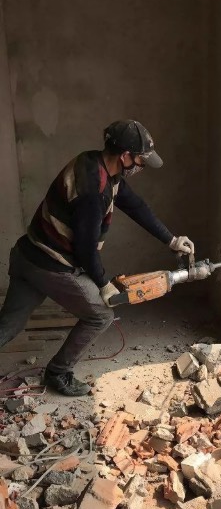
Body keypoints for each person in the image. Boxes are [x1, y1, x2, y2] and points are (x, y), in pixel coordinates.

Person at [0, 120, 194, 396]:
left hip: (27, 255)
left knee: (9, 324)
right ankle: (59, 373)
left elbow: (135, 206)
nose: (141, 165)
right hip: (51, 264)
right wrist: (104, 284)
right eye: (140, 159)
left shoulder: (95, 163)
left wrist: (171, 240)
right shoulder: (93, 191)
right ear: (125, 156)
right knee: (101, 315)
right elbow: (86, 250)